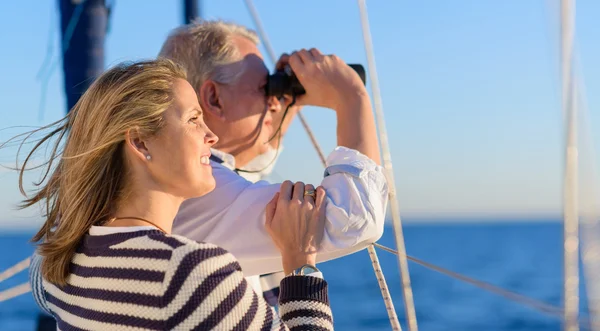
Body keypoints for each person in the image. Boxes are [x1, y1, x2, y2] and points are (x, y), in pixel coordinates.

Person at [18, 59, 333, 330]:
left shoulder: (55, 264)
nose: (212, 135)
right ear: (141, 143)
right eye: (194, 120)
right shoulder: (191, 273)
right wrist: (300, 262)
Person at [157, 20, 389, 305]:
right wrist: (351, 98)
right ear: (214, 98)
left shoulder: (174, 176)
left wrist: (286, 103)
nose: (274, 101)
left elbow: (251, 166)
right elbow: (353, 216)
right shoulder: (202, 190)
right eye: (263, 88)